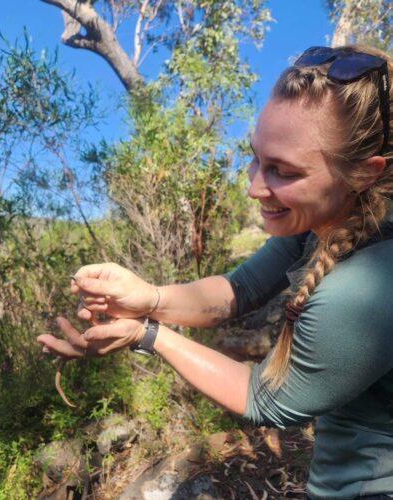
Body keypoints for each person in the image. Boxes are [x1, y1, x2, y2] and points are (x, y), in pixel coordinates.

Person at [38, 45, 393, 499]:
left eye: (281, 171)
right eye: (255, 158)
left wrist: (147, 335)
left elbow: (266, 399)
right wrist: (149, 297)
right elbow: (239, 290)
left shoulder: (368, 288)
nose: (253, 187)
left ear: (365, 173)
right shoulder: (325, 219)